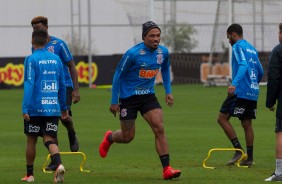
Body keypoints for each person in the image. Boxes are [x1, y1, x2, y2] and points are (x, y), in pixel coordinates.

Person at [99, 21, 181, 180]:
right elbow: (118, 75)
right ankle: (110, 137)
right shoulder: (133, 54)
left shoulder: (163, 52)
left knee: (159, 128)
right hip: (128, 98)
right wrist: (114, 101)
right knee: (127, 136)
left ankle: (167, 169)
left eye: (158, 35)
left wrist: (168, 91)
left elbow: (164, 68)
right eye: (152, 36)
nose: (156, 39)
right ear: (144, 37)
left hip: (148, 96)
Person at [21, 29, 67, 183]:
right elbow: (62, 84)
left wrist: (25, 108)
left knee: (31, 139)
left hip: (35, 108)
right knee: (49, 138)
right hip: (52, 107)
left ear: (32, 42)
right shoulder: (56, 59)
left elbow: (29, 84)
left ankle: (30, 175)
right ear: (47, 42)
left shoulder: (31, 59)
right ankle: (58, 163)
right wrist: (63, 107)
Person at [30, 16, 80, 154]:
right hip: (45, 88)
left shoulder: (59, 44)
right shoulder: (35, 47)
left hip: (64, 85)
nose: (37, 31)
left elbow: (71, 65)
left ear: (46, 27)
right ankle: (55, 160)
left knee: (64, 118)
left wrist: (76, 89)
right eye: (34, 29)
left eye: (39, 28)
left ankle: (71, 132)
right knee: (51, 120)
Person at [217, 23, 264, 167]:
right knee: (247, 123)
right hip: (253, 91)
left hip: (240, 90)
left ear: (232, 34)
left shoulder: (237, 47)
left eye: (228, 37)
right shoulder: (252, 49)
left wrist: (234, 83)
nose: (228, 41)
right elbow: (260, 71)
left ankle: (238, 151)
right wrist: (253, 83)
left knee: (222, 118)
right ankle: (249, 159)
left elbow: (243, 65)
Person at [265, 23, 282, 182]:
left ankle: (279, 172)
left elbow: (274, 77)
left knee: (281, 132)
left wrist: (270, 101)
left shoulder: (278, 50)